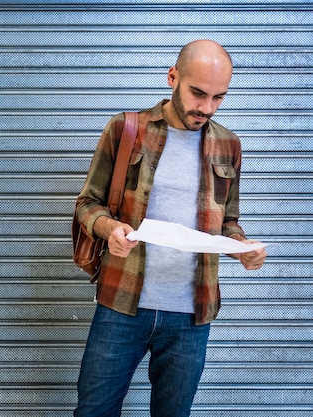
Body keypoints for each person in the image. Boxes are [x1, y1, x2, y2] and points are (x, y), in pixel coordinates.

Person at [73, 39, 267, 417]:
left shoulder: (228, 145)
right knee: (94, 411)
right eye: (198, 93)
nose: (206, 108)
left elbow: (227, 223)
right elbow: (87, 204)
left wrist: (243, 248)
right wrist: (109, 228)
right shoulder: (126, 129)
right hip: (122, 305)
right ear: (172, 77)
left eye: (218, 98)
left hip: (191, 317)